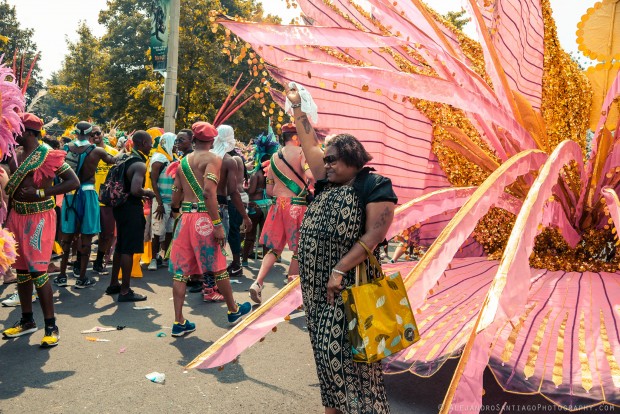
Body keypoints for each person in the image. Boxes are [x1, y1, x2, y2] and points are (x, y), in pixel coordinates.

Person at [289, 86, 397, 413]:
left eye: (333, 159)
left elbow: (375, 235)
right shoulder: (328, 181)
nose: (326, 165)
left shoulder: (374, 185)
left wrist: (338, 269)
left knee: (339, 354)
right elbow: (309, 145)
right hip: (317, 287)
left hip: (349, 286)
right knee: (325, 356)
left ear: (352, 157)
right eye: (326, 161)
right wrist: (297, 110)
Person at [2, 113, 80, 347]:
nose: (14, 134)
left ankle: (51, 326)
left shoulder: (47, 154)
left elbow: (73, 182)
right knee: (22, 271)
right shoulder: (14, 154)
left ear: (28, 132)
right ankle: (27, 321)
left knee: (38, 271)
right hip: (16, 216)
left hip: (40, 217)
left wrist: (40, 192)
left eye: (17, 131)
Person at [169, 121, 251, 336]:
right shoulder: (213, 159)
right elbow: (208, 193)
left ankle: (179, 322)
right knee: (218, 266)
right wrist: (217, 224)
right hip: (204, 219)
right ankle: (233, 310)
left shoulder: (183, 161)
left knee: (180, 272)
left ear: (194, 139)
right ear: (213, 140)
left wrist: (177, 211)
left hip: (185, 218)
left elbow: (176, 192)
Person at [249, 123, 313, 304]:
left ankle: (258, 282)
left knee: (275, 249)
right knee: (299, 250)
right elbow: (311, 176)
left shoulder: (274, 158)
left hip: (277, 206)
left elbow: (269, 190)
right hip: (296, 206)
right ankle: (290, 293)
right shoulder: (302, 153)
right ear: (295, 137)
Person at [54, 122, 119, 288]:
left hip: (70, 193)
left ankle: (62, 276)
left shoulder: (66, 149)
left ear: (75, 132)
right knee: (87, 237)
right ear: (91, 134)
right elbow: (113, 161)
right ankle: (81, 278)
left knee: (67, 237)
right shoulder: (96, 151)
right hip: (88, 193)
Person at [105, 131, 155, 301]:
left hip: (119, 206)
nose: (151, 146)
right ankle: (125, 291)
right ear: (141, 143)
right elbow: (135, 190)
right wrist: (148, 192)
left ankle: (114, 284)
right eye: (149, 143)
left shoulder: (123, 158)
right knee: (128, 249)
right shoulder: (139, 164)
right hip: (131, 208)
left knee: (121, 245)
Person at [212, 125, 252, 277]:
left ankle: (203, 276)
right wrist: (246, 216)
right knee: (223, 239)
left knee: (209, 242)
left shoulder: (204, 156)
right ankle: (219, 274)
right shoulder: (229, 161)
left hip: (203, 204)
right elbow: (233, 191)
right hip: (222, 204)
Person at [92, 126, 120, 274]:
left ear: (103, 133)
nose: (95, 136)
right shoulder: (86, 152)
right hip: (89, 198)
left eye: (98, 133)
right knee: (85, 234)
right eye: (92, 134)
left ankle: (98, 261)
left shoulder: (113, 153)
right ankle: (79, 262)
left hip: (106, 201)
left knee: (107, 233)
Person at [148, 132, 176, 270]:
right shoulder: (159, 158)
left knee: (170, 230)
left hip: (172, 201)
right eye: (175, 142)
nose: (177, 145)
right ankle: (153, 258)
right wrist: (159, 203)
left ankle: (165, 256)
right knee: (157, 231)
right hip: (161, 201)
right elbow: (153, 182)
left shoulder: (173, 158)